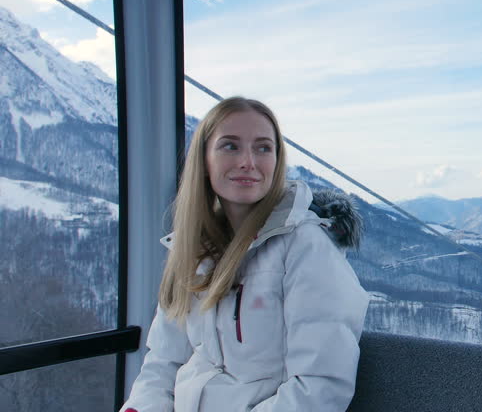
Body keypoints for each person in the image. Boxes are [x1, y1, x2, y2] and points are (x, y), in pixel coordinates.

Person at [121, 97, 369, 412]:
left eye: (263, 148)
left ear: (277, 161)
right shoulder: (194, 249)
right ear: (204, 159)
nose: (247, 162)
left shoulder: (305, 247)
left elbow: (320, 387)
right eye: (230, 146)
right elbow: (164, 361)